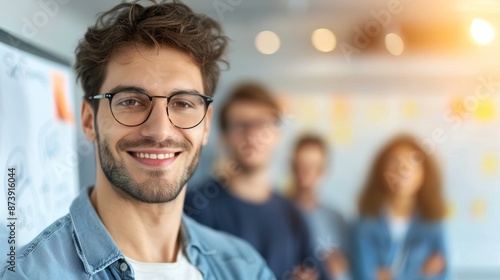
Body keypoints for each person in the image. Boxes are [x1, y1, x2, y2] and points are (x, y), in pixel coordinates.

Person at [0, 1, 275, 279]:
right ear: (88, 120)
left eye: (182, 103)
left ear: (205, 125)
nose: (160, 131)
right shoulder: (28, 274)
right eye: (131, 101)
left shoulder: (246, 268)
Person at [184, 83, 326, 280]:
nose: (252, 135)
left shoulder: (294, 215)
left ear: (277, 134)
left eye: (262, 124)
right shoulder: (196, 206)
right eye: (240, 125)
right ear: (224, 137)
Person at [351, 135, 449, 280]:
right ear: (381, 170)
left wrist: (392, 276)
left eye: (413, 160)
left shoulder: (434, 224)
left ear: (424, 172)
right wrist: (422, 273)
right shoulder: (364, 226)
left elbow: (444, 275)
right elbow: (365, 275)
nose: (402, 168)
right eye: (393, 160)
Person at [288, 134, 351, 279]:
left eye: (313, 167)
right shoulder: (277, 214)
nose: (306, 173)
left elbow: (344, 270)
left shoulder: (336, 219)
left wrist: (336, 271)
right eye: (300, 166)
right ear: (292, 167)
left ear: (323, 170)